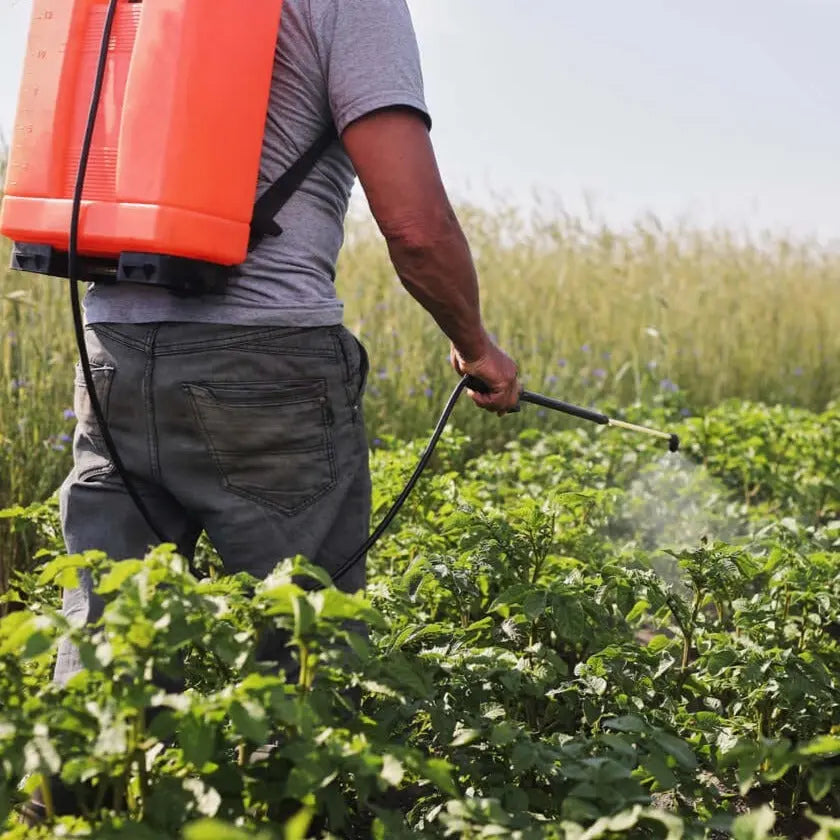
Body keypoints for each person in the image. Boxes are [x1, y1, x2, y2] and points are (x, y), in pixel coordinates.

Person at [22, 0, 520, 824]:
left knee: (108, 642)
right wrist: (475, 343)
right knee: (306, 650)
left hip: (110, 349)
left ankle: (71, 821)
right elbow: (416, 226)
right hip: (265, 362)